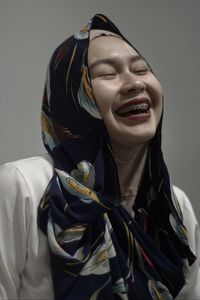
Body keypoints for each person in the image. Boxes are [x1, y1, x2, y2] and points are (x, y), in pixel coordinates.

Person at [0, 13, 199, 300]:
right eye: (108, 73)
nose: (134, 84)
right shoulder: (23, 187)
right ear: (72, 98)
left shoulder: (174, 207)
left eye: (142, 70)